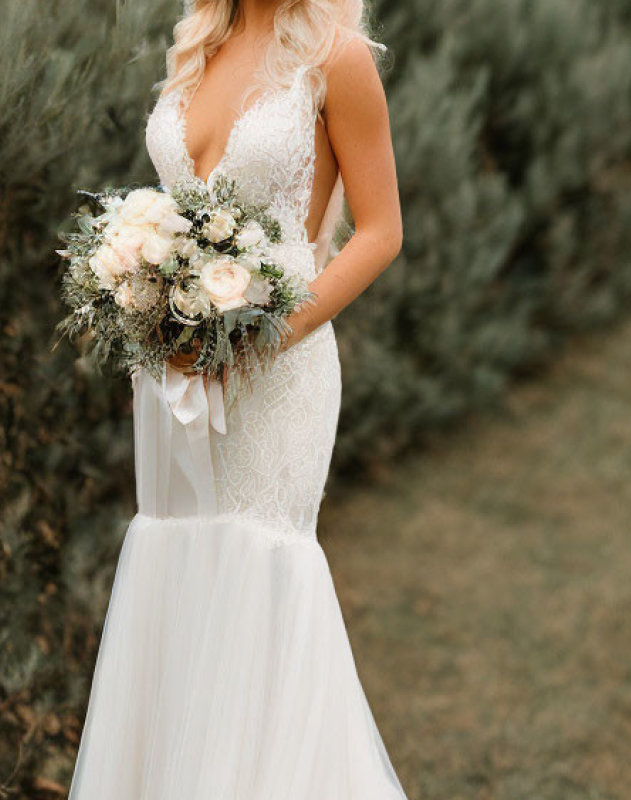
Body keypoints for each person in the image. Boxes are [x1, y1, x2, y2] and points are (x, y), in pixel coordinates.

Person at [68, 0, 405, 796]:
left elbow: (381, 230)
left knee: (259, 574)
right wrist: (145, 298)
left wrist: (264, 338)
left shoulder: (337, 55)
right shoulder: (198, 46)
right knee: (177, 568)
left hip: (278, 373)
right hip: (176, 373)